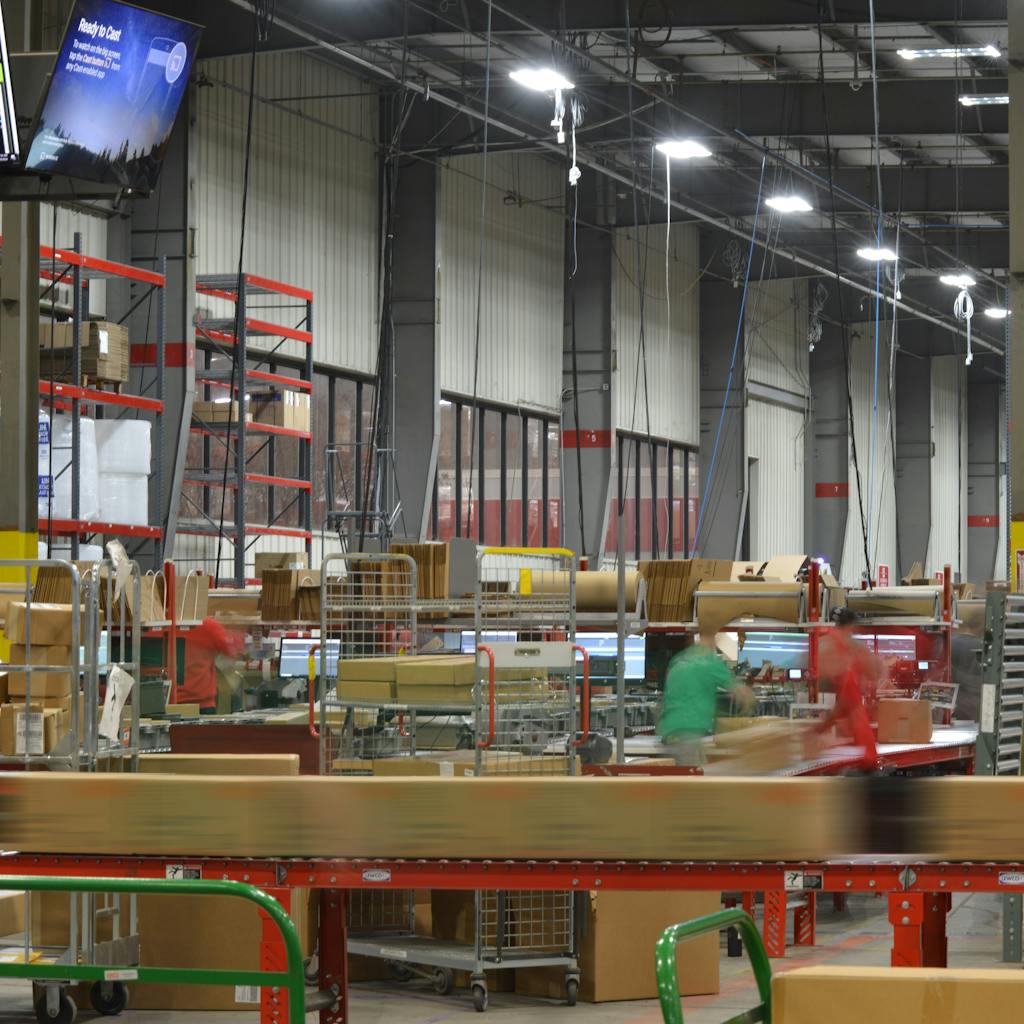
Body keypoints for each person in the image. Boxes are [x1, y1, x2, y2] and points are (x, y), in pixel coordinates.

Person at [659, 613, 753, 767]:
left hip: (668, 731)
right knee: (692, 777)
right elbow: (742, 693)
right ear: (713, 640)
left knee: (675, 775)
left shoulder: (679, 659)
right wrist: (749, 715)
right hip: (689, 732)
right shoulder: (710, 662)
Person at [814, 607, 879, 770]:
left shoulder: (821, 644)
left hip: (835, 732)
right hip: (853, 731)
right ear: (851, 625)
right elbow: (874, 674)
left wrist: (822, 726)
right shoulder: (856, 648)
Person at [179, 617, 246, 713]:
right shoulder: (207, 626)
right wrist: (237, 633)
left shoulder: (159, 624)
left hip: (164, 703)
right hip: (201, 705)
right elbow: (232, 650)